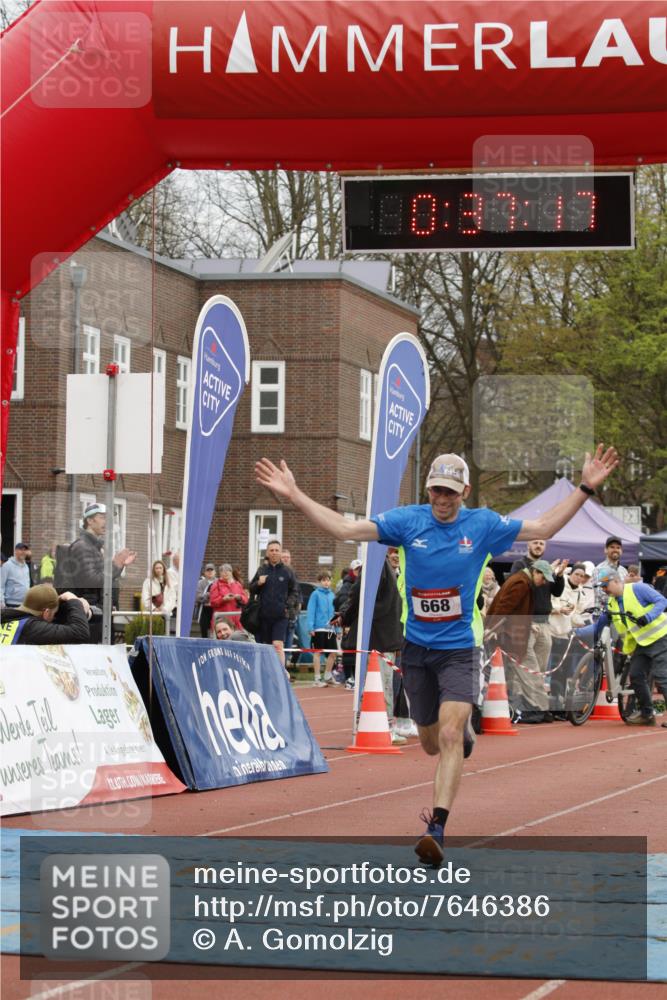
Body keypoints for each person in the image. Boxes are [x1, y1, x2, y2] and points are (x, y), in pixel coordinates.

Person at [256, 444, 618, 864]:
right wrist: (295, 495)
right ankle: (457, 734)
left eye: (450, 492)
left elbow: (543, 525)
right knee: (429, 741)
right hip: (418, 649)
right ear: (428, 490)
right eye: (436, 492)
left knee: (447, 736)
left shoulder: (482, 525)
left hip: (460, 650)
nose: (443, 500)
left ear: (464, 491)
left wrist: (585, 488)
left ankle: (437, 828)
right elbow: (344, 529)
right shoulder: (408, 522)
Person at [336, 553, 407, 744]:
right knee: (380, 683)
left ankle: (380, 724)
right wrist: (345, 615)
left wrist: (345, 616)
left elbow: (359, 594)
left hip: (385, 634)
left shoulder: (383, 566)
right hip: (379, 635)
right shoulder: (378, 565)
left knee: (382, 683)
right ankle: (379, 725)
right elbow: (358, 593)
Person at [590, 569, 667, 727]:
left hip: (661, 637)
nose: (604, 589)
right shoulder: (612, 603)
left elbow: (662, 601)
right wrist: (578, 632)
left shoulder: (638, 588)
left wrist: (648, 617)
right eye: (602, 587)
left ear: (617, 581)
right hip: (642, 643)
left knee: (662, 676)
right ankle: (647, 715)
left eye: (606, 585)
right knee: (636, 675)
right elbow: (602, 623)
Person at [486, 560, 556, 723]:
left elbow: (513, 608)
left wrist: (527, 623)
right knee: (529, 670)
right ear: (536, 572)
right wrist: (492, 628)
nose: (544, 583)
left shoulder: (522, 580)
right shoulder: (521, 582)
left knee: (516, 673)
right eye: (543, 578)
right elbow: (505, 606)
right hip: (512, 636)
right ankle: (538, 709)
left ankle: (535, 708)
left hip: (513, 632)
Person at [510, 539, 568, 688]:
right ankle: (522, 706)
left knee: (540, 670)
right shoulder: (520, 565)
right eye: (535, 542)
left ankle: (534, 706)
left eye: (541, 543)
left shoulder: (547, 567)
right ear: (528, 545)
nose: (538, 546)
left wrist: (560, 576)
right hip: (526, 623)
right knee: (527, 667)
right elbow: (518, 590)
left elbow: (557, 591)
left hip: (544, 624)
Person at [248, 539, 298, 667]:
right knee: (265, 647)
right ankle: (266, 672)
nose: (274, 553)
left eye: (277, 550)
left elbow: (295, 591)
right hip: (263, 615)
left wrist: (288, 605)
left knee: (278, 645)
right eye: (272, 550)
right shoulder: (262, 570)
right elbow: (251, 588)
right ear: (267, 553)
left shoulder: (288, 571)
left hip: (281, 615)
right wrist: (259, 583)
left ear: (281, 553)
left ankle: (280, 673)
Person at [548, 562, 591, 711]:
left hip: (565, 635)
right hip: (550, 632)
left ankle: (558, 703)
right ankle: (546, 703)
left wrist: (582, 623)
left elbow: (575, 615)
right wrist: (560, 609)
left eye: (582, 576)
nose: (579, 578)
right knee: (548, 670)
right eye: (577, 574)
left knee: (562, 671)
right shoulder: (559, 584)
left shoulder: (580, 593)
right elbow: (548, 605)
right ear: (570, 573)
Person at [0, 584, 91, 645]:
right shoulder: (32, 628)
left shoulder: (7, 617)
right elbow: (80, 633)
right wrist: (74, 601)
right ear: (46, 613)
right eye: (54, 613)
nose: (54, 617)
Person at [306, 571, 337, 687]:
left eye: (328, 580)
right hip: (318, 628)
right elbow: (311, 611)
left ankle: (328, 675)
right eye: (324, 580)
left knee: (333, 653)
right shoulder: (315, 594)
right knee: (318, 653)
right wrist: (311, 627)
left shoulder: (332, 595)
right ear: (320, 582)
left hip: (331, 629)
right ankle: (317, 678)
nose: (326, 582)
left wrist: (337, 630)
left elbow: (335, 613)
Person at [210, 563, 248, 629]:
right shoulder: (216, 585)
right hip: (222, 621)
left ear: (231, 572)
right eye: (223, 571)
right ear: (220, 573)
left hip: (237, 620)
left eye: (228, 570)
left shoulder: (237, 584)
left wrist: (240, 597)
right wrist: (223, 599)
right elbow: (213, 602)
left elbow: (246, 600)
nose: (226, 573)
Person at [0, 541, 32, 608]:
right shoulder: (7, 565)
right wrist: (1, 601)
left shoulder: (26, 566)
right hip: (11, 604)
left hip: (24, 604)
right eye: (21, 549)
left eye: (25, 550)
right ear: (15, 551)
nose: (23, 552)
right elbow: (1, 585)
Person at [195, 563, 217, 638]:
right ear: (204, 572)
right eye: (208, 570)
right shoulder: (200, 583)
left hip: (216, 609)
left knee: (216, 629)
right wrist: (208, 595)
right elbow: (198, 597)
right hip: (204, 609)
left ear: (215, 572)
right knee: (204, 630)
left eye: (211, 570)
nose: (210, 572)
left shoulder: (218, 582)